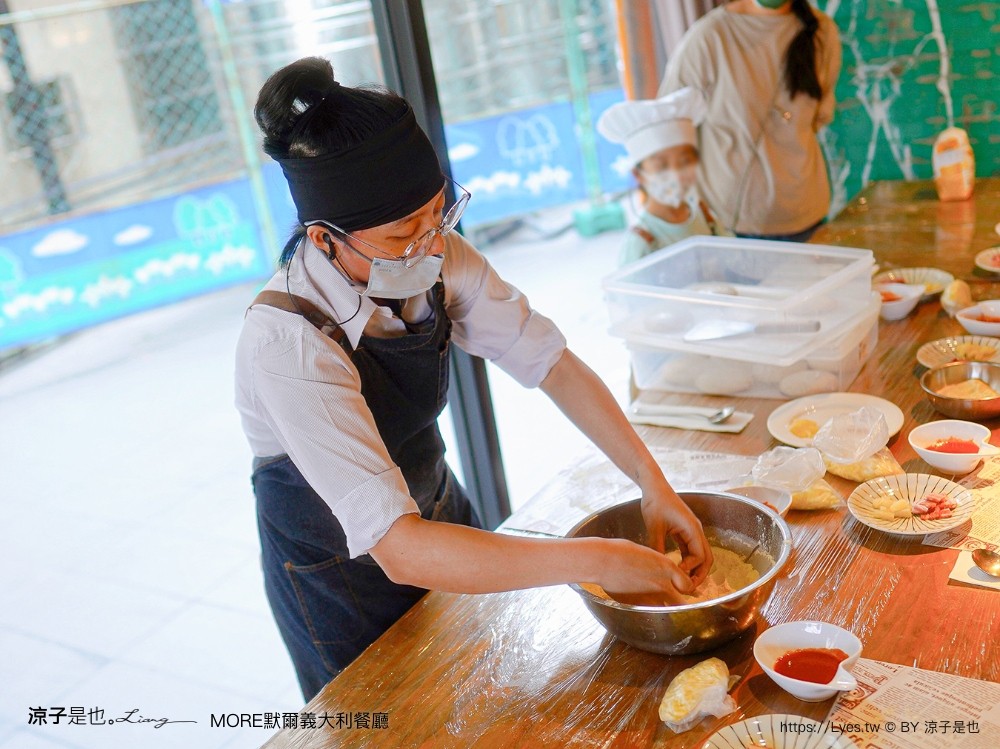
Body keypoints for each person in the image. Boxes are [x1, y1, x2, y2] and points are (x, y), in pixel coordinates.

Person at [234, 57, 713, 701]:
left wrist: (653, 484)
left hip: (436, 509)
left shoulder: (435, 254)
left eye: (439, 214)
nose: (433, 246)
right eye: (403, 234)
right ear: (324, 240)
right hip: (337, 570)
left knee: (484, 684)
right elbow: (400, 549)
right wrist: (598, 559)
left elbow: (551, 362)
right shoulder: (287, 342)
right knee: (391, 721)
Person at [659, 0, 842, 242]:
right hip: (731, 221)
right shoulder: (710, 36)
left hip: (805, 212)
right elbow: (669, 122)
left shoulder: (822, 30)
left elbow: (818, 115)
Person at [597, 87, 726, 265]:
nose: (676, 174)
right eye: (661, 166)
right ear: (638, 175)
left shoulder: (705, 216)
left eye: (685, 162)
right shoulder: (641, 241)